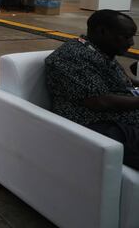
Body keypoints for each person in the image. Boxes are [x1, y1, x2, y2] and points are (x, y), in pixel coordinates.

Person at [45, 10, 139, 170]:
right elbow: (99, 101)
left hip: (121, 118)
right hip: (97, 124)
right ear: (102, 31)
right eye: (126, 36)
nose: (131, 43)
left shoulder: (99, 52)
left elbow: (124, 81)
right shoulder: (70, 57)